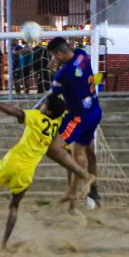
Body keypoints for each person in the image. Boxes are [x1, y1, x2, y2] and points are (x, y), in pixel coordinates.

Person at [0, 90, 95, 250]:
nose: (41, 105)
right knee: (14, 206)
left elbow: (12, 111)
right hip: (27, 172)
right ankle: (4, 244)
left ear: (47, 110)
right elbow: (64, 111)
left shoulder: (35, 116)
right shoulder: (57, 123)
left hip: (11, 163)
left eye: (44, 104)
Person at [44, 37, 102, 209]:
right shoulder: (82, 55)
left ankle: (83, 181)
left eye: (54, 56)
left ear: (59, 53)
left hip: (79, 117)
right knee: (86, 153)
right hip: (94, 111)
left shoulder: (64, 73)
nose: (53, 59)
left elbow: (53, 96)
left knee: (55, 149)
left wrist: (53, 71)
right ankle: (93, 193)